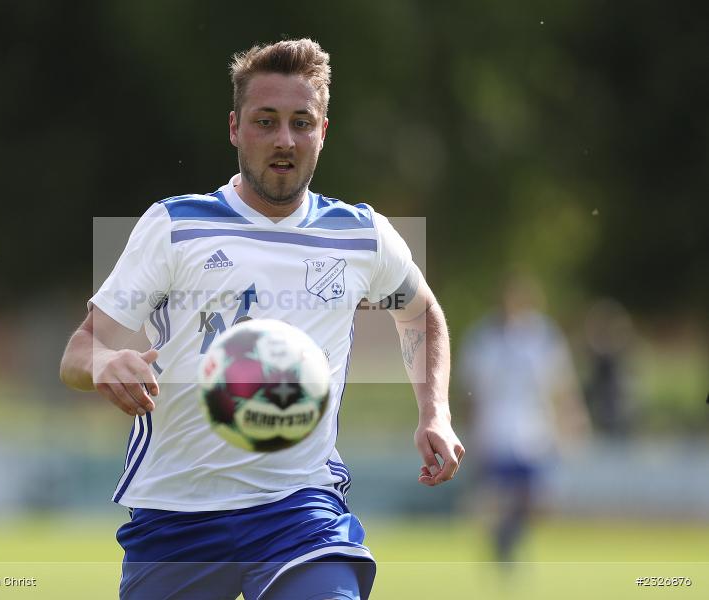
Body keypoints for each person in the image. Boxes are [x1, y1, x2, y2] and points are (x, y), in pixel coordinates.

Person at [60, 38, 464, 600]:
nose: (284, 139)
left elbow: (421, 315)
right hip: (179, 514)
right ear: (234, 128)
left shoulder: (361, 234)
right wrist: (107, 361)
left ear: (324, 130)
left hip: (298, 510)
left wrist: (435, 414)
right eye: (266, 121)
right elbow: (77, 354)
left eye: (302, 122)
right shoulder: (175, 226)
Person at [459, 274, 590, 564]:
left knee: (540, 501)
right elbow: (471, 393)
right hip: (495, 430)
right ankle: (501, 543)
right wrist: (468, 434)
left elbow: (561, 383)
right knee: (493, 497)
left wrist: (571, 420)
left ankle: (507, 535)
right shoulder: (482, 339)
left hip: (534, 430)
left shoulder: (544, 337)